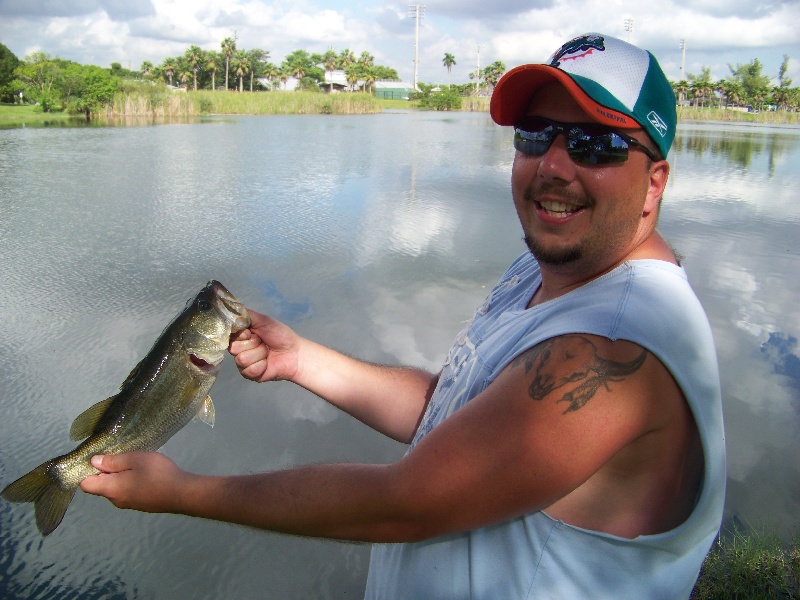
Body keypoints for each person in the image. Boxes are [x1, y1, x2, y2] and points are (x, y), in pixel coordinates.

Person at [81, 33, 726, 598]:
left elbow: (405, 503)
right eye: (536, 135)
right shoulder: (546, 271)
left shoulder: (611, 346)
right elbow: (458, 415)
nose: (553, 165)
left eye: (592, 144)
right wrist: (304, 359)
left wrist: (181, 491)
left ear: (655, 180)